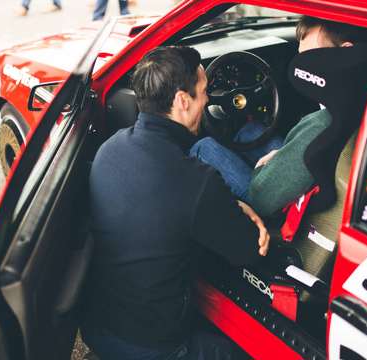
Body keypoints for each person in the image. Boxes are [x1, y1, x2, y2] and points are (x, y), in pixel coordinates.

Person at [83, 46, 270, 359]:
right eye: (204, 92)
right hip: (154, 348)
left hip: (96, 326)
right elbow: (250, 251)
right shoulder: (197, 181)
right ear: (183, 101)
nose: (209, 99)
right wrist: (241, 209)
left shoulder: (110, 148)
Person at [190, 16, 367, 218]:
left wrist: (268, 169)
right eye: (300, 57)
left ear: (345, 52)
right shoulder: (364, 96)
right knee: (249, 131)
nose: (302, 67)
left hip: (276, 207)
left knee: (204, 146)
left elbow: (262, 197)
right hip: (314, 169)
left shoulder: (322, 125)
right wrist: (282, 157)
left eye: (311, 58)